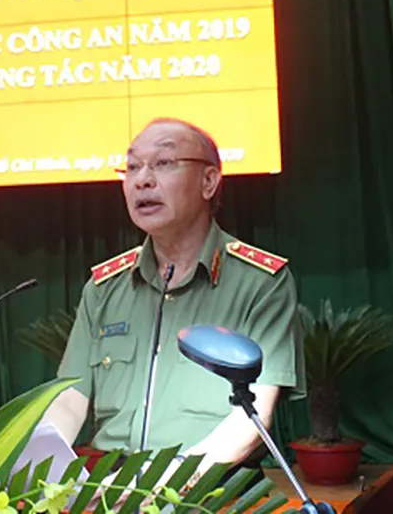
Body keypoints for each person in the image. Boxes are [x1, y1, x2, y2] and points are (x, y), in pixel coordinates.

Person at [44, 117, 305, 489]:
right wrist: (37, 466)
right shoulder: (105, 287)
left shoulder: (261, 282)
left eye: (163, 163)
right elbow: (70, 400)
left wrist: (168, 480)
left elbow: (253, 417)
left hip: (212, 492)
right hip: (111, 488)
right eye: (132, 167)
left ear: (209, 181)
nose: (142, 180)